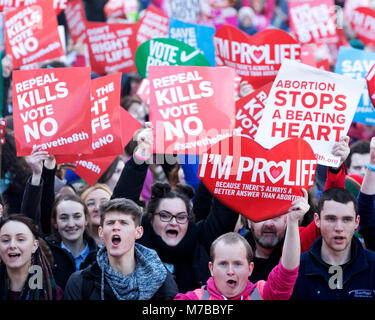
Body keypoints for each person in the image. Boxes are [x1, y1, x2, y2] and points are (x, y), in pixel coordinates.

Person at [111, 123, 239, 293]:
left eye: (181, 217)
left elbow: (224, 213)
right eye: (164, 215)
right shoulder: (137, 241)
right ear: (150, 217)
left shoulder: (201, 240)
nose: (173, 222)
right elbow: (120, 208)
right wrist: (141, 155)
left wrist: (224, 155)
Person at [174, 189, 308, 300]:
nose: (230, 271)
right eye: (223, 264)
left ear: (250, 268)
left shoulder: (263, 295)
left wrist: (292, 222)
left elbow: (287, 272)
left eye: (238, 264)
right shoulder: (194, 299)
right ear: (211, 268)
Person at [64, 198, 178, 300]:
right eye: (110, 223)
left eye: (124, 223)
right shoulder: (81, 282)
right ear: (101, 232)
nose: (116, 227)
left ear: (138, 232)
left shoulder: (162, 279)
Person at [21, 148, 97, 290]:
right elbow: (27, 222)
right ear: (54, 222)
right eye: (63, 217)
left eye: (77, 216)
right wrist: (39, 174)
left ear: (86, 219)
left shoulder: (100, 256)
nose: (71, 224)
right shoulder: (44, 253)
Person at [291, 187, 375, 300]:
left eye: (347, 219)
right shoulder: (297, 269)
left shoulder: (373, 265)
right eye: (331, 219)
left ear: (356, 222)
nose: (339, 228)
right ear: (317, 220)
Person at [0, 214, 63, 300]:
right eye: (5, 240)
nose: (12, 245)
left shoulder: (52, 293)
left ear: (35, 245)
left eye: (20, 239)